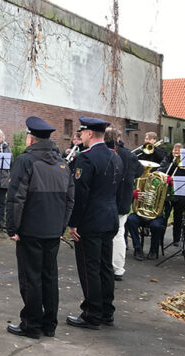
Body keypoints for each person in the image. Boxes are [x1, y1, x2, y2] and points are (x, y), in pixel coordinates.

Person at [5, 116, 74, 339]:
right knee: (49, 276)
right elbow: (70, 198)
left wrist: (12, 227)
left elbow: (16, 197)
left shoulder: (26, 161)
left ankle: (31, 324)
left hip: (31, 229)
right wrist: (61, 225)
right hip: (53, 229)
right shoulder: (62, 162)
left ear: (30, 137)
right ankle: (49, 324)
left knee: (30, 277)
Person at [66, 116, 123, 330]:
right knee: (105, 267)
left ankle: (92, 313)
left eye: (82, 132)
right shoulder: (115, 157)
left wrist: (74, 223)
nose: (80, 136)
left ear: (90, 134)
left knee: (90, 268)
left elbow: (81, 194)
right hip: (109, 218)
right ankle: (107, 311)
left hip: (90, 221)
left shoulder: (86, 158)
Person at [104, 127, 142, 281]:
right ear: (118, 138)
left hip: (106, 199)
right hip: (123, 200)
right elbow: (140, 171)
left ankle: (106, 264)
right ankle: (118, 268)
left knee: (105, 233)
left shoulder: (103, 153)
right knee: (119, 233)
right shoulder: (129, 155)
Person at [159, 143, 185, 247]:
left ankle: (176, 239)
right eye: (175, 151)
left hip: (181, 192)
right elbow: (162, 170)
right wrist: (174, 163)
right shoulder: (168, 159)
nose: (176, 153)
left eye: (179, 151)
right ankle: (160, 238)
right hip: (168, 191)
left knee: (178, 216)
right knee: (165, 215)